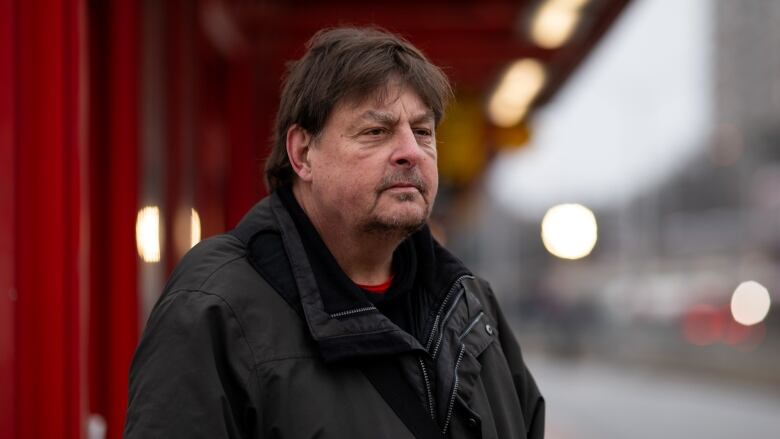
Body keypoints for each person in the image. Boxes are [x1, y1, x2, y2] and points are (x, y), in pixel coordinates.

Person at [124, 27, 544, 439]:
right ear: (303, 153)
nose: (411, 152)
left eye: (422, 132)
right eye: (375, 132)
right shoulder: (213, 309)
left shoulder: (472, 308)